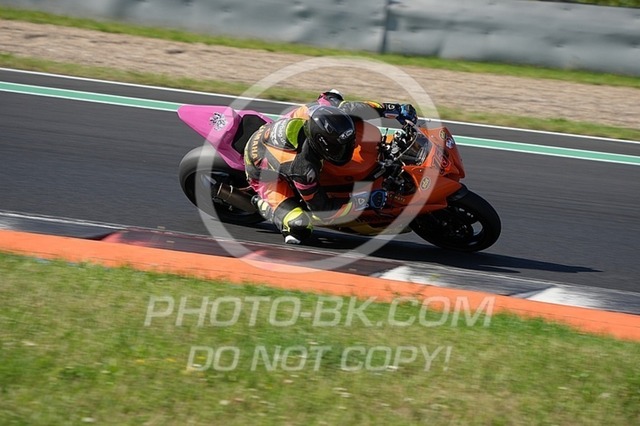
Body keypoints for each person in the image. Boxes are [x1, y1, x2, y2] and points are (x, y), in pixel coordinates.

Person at [243, 91, 417, 244]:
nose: (349, 148)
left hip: (279, 130)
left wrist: (394, 109)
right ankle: (262, 204)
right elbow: (322, 208)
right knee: (299, 225)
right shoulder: (303, 169)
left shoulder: (323, 111)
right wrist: (363, 201)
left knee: (336, 99)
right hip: (260, 169)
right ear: (323, 145)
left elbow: (351, 106)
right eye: (340, 148)